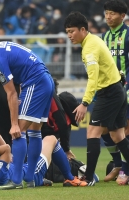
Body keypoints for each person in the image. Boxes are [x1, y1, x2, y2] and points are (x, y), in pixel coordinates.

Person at [0, 23, 54, 188]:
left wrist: (14, 123)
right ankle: (29, 179)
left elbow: (11, 93)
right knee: (35, 131)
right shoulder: (3, 47)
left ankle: (15, 181)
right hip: (46, 80)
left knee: (18, 132)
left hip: (35, 83)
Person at [64, 11, 129, 186]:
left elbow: (93, 78)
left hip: (109, 93)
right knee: (117, 135)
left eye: (72, 31)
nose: (69, 35)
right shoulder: (93, 41)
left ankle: (89, 177)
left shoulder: (90, 47)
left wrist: (85, 103)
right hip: (117, 90)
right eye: (67, 32)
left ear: (83, 29)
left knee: (92, 132)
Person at [0, 135, 88, 189]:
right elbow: (6, 149)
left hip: (20, 169)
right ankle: (69, 178)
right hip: (31, 170)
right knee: (51, 139)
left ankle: (40, 182)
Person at [101, 0, 129, 183]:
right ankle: (118, 163)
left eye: (112, 13)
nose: (108, 17)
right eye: (106, 13)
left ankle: (125, 170)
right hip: (108, 91)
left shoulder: (128, 35)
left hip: (126, 91)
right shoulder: (103, 37)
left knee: (125, 130)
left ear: (122, 16)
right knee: (103, 129)